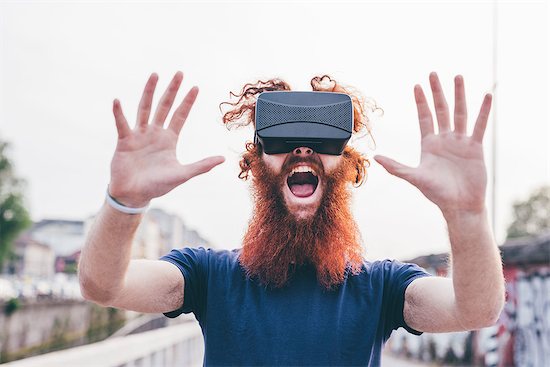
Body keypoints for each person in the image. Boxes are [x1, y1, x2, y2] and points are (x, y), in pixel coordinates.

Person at [78, 71, 505, 366]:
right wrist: (124, 202)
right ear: (257, 164)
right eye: (284, 140)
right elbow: (103, 285)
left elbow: (477, 310)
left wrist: (466, 216)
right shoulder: (210, 276)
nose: (302, 151)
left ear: (346, 167)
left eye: (321, 141)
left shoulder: (381, 287)